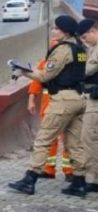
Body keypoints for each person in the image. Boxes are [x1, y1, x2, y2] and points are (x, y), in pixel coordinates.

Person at [8, 15, 88, 197]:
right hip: (79, 98)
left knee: (44, 139)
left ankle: (30, 179)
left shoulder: (62, 50)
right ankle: (79, 182)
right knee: (74, 143)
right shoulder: (80, 49)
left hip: (63, 101)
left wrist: (22, 71)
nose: (53, 31)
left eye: (56, 29)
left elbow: (45, 76)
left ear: (65, 32)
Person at [27, 27, 73, 181]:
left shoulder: (67, 60)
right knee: (50, 139)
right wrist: (31, 99)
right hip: (49, 105)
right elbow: (37, 81)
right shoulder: (45, 62)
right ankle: (49, 169)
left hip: (61, 103)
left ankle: (69, 170)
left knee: (67, 138)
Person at [79, 18, 98, 193]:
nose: (85, 40)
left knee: (89, 137)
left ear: (93, 31)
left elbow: (87, 71)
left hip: (95, 101)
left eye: (85, 37)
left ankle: (93, 179)